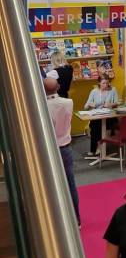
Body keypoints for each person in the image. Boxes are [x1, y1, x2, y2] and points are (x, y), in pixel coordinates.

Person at [44, 76, 80, 226]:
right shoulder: (68, 102)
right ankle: (76, 219)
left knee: (48, 184)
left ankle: (54, 220)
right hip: (65, 147)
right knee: (70, 183)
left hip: (49, 149)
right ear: (58, 87)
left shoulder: (42, 106)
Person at [84, 76, 119, 158]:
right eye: (103, 83)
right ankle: (95, 148)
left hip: (109, 116)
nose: (106, 85)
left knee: (98, 125)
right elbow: (85, 107)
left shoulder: (113, 90)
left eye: (107, 83)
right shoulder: (94, 92)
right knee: (94, 125)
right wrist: (90, 105)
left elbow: (117, 103)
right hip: (97, 115)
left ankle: (99, 147)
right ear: (99, 83)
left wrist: (111, 104)